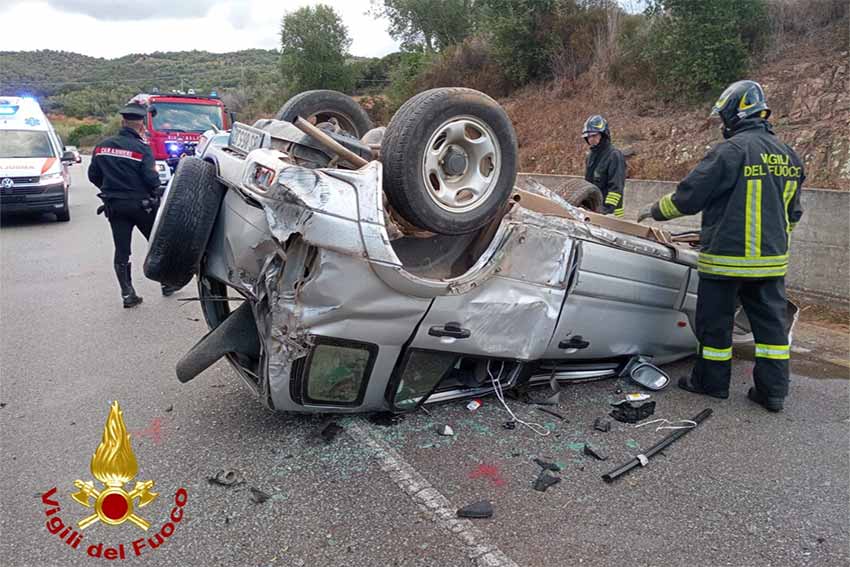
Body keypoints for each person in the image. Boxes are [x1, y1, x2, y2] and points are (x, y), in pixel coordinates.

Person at [637, 80, 804, 412]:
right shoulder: (789, 156)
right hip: (770, 263)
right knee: (771, 331)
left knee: (715, 327)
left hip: (726, 260)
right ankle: (773, 393)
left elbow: (690, 197)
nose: (722, 124)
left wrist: (654, 211)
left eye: (723, 117)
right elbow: (793, 213)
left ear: (735, 113)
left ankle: (711, 384)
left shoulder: (730, 152)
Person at [88, 103, 178, 308]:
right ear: (141, 126)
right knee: (156, 244)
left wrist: (110, 190)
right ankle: (166, 283)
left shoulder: (102, 146)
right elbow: (151, 179)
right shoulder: (142, 149)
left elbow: (93, 175)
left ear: (123, 123)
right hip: (142, 206)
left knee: (122, 250)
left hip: (115, 206)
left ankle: (127, 293)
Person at [583, 114, 625, 217]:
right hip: (594, 211)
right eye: (588, 136)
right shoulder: (590, 156)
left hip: (611, 214)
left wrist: (606, 209)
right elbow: (588, 184)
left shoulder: (614, 155)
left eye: (594, 135)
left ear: (603, 135)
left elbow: (616, 187)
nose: (591, 139)